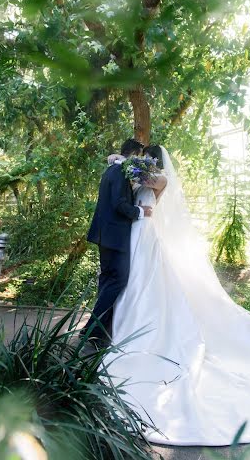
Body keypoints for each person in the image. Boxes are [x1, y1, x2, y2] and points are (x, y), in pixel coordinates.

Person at [102, 144, 250, 446]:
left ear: (156, 160)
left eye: (149, 158)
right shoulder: (142, 174)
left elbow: (140, 180)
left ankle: (140, 333)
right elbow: (130, 178)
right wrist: (122, 162)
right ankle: (124, 326)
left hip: (147, 232)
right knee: (134, 283)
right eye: (144, 158)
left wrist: (124, 163)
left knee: (147, 285)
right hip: (137, 233)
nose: (145, 161)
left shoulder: (158, 179)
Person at [80, 138, 153, 345]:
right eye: (139, 156)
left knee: (107, 280)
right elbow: (119, 204)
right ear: (133, 154)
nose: (141, 160)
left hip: (106, 236)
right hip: (114, 237)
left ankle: (98, 331)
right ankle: (90, 330)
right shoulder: (120, 172)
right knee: (118, 280)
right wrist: (141, 211)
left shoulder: (111, 170)